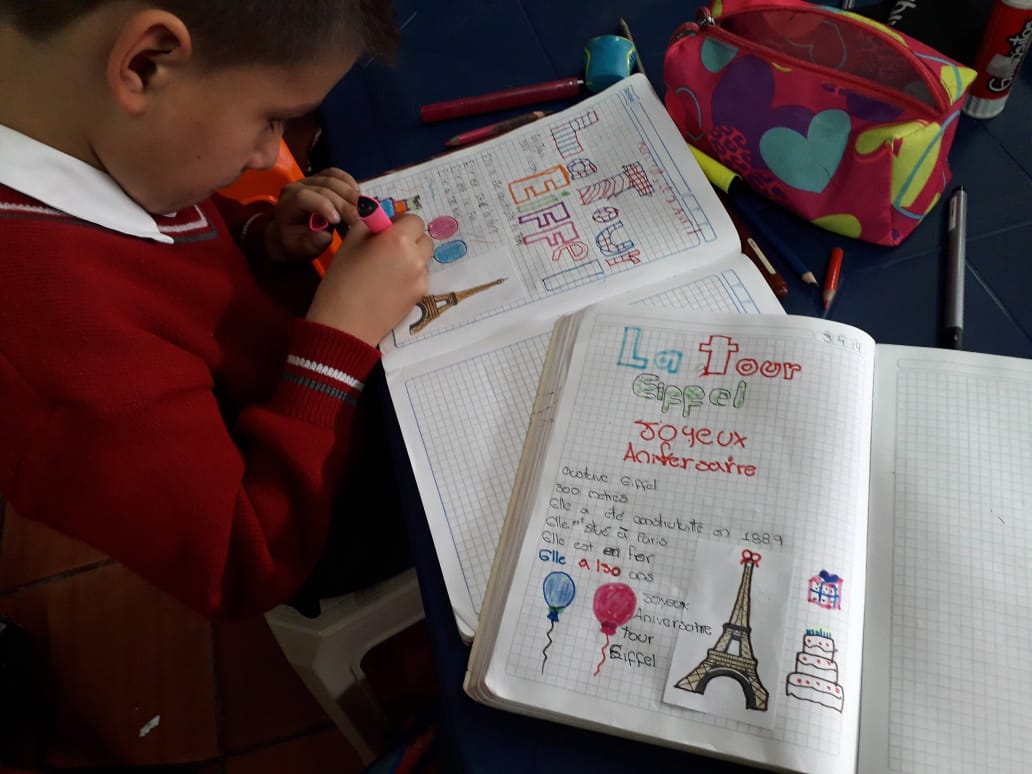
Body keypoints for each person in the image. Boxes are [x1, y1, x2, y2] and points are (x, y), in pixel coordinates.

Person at [0, 1, 434, 620]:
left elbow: (179, 247)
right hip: (311, 514)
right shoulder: (51, 350)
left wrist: (265, 241)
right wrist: (339, 339)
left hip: (303, 396)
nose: (269, 153)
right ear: (146, 64)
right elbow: (242, 564)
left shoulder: (79, 126)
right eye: (272, 118)